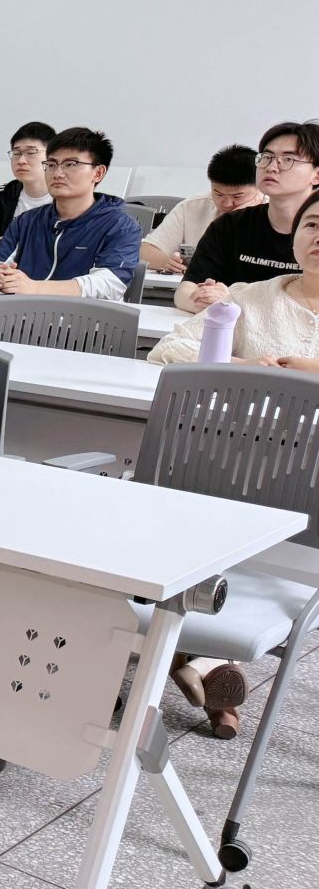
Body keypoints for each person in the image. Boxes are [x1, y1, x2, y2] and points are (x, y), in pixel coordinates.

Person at [146, 187, 319, 736]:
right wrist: (247, 366)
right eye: (313, 225)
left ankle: (191, 656)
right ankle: (204, 660)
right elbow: (171, 351)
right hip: (224, 475)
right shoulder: (250, 297)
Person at [0, 126, 138, 300]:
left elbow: (110, 284)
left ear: (98, 173)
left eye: (71, 164)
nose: (58, 173)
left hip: (83, 315)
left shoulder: (120, 226)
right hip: (23, 313)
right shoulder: (27, 221)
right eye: (51, 165)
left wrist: (35, 288)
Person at [177, 122, 319, 314]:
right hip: (232, 328)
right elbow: (186, 290)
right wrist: (203, 300)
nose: (271, 167)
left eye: (288, 159)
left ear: (317, 175)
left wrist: (235, 302)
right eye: (267, 157)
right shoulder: (230, 225)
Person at [139, 145, 261, 276]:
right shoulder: (192, 207)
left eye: (237, 196)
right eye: (218, 194)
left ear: (259, 185)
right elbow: (145, 250)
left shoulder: (272, 211)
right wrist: (167, 262)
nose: (226, 204)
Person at [0, 122, 54, 257]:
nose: (21, 160)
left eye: (31, 153)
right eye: (16, 153)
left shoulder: (65, 198)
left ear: (52, 157)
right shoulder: (2, 194)